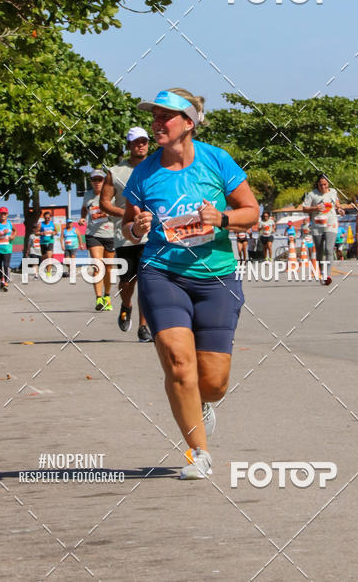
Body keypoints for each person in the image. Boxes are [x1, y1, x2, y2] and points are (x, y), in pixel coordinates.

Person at [122, 88, 259, 480]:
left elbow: (251, 211)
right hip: (162, 272)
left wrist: (223, 220)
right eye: (155, 116)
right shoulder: (144, 172)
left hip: (216, 275)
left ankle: (202, 404)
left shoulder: (217, 160)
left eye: (166, 116)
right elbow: (128, 226)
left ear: (189, 122)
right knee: (179, 363)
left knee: (212, 383)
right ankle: (198, 452)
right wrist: (136, 227)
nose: (157, 123)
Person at [100, 127, 152, 341]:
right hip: (126, 236)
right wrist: (128, 214)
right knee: (128, 282)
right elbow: (104, 203)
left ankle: (144, 326)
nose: (140, 145)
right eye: (136, 142)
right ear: (129, 145)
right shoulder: (115, 172)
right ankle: (126, 304)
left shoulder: (157, 167)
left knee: (148, 282)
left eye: (144, 141)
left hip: (153, 235)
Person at [302, 174, 352, 284]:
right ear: (317, 185)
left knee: (329, 249)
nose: (323, 187)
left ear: (328, 183)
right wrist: (315, 208)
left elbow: (337, 204)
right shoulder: (312, 194)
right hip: (317, 225)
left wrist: (340, 210)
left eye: (325, 184)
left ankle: (328, 275)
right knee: (319, 251)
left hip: (331, 224)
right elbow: (304, 209)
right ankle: (321, 273)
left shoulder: (333, 192)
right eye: (320, 185)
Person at [82, 170, 115, 311]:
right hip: (93, 234)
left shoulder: (111, 194)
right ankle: (99, 298)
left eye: (99, 179)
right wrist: (83, 217)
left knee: (108, 268)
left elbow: (119, 208)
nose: (97, 182)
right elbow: (84, 209)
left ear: (104, 181)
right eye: (94, 180)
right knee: (97, 265)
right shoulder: (88, 195)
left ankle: (107, 296)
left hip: (110, 234)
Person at [0, 206, 15, 291]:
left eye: (5, 213)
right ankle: (2, 280)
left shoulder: (10, 224)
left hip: (7, 248)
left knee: (6, 266)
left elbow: (15, 231)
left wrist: (12, 236)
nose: (3, 215)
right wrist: (2, 232)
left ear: (7, 214)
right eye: (1, 213)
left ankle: (6, 283)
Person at [37, 209, 56, 278]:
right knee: (45, 258)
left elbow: (56, 231)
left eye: (48, 218)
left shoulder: (52, 224)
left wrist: (54, 233)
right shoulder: (41, 224)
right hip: (43, 242)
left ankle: (48, 273)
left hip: (50, 242)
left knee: (49, 257)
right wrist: (42, 233)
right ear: (44, 218)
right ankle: (43, 265)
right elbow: (36, 233)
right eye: (46, 218)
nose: (47, 219)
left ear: (50, 217)